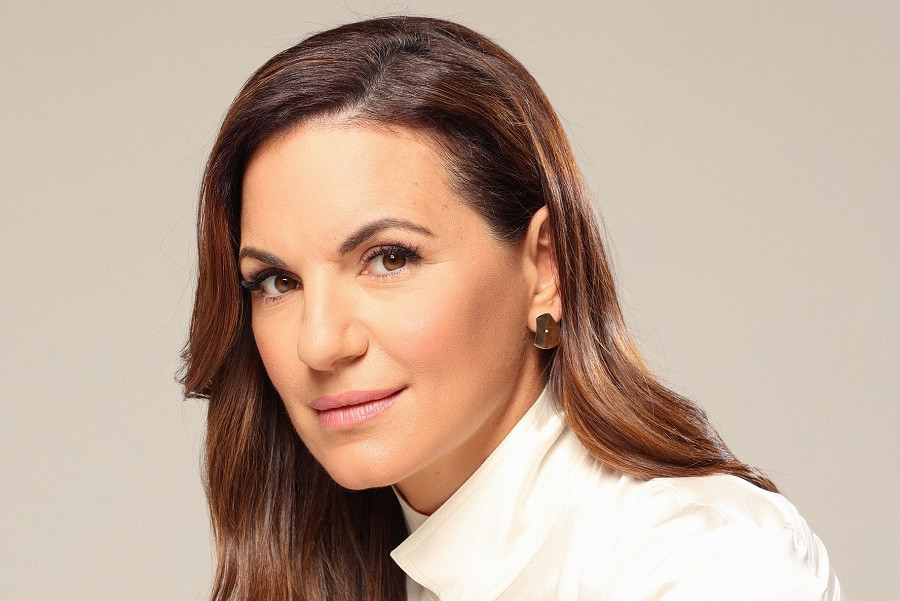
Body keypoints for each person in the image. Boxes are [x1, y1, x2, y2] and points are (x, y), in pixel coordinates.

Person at [180, 16, 841, 601]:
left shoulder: (698, 564)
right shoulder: (357, 558)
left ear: (544, 268)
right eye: (276, 281)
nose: (320, 343)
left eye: (390, 258)